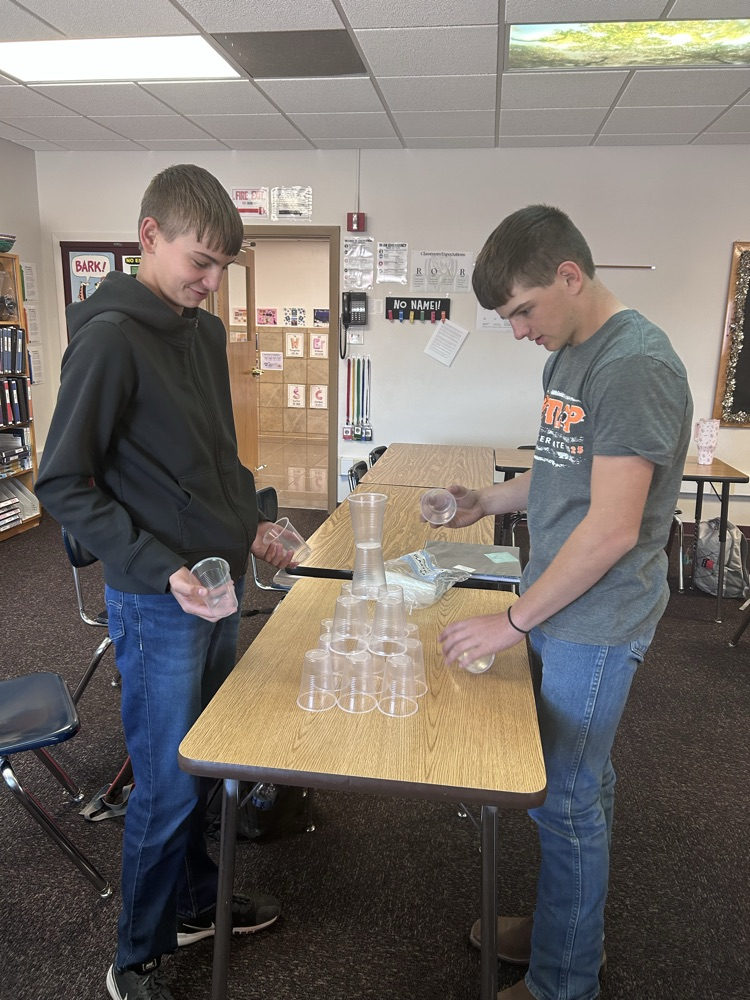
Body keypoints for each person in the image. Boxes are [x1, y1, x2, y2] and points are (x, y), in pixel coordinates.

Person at [36, 164, 294, 1000]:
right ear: (149, 236)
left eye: (224, 265)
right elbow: (64, 483)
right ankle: (136, 955)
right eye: (200, 262)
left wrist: (255, 515)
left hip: (217, 585)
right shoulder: (108, 339)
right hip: (158, 600)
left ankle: (191, 902)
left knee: (210, 762)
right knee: (167, 780)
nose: (211, 282)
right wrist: (162, 568)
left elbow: (215, 455)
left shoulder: (203, 332)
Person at [439, 205, 693, 1000]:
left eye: (522, 310)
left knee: (567, 801)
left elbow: (613, 528)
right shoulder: (571, 353)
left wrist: (510, 622)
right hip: (559, 603)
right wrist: (485, 498)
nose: (517, 331)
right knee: (573, 785)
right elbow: (561, 475)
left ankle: (563, 982)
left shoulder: (633, 364)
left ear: (571, 276)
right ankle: (563, 928)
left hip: (594, 617)